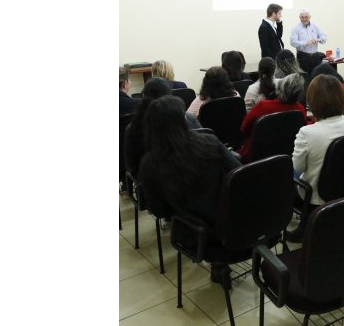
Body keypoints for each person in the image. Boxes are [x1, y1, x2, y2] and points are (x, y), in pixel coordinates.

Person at [136, 95, 242, 281]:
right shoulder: (209, 141)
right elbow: (238, 173)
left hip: (194, 234)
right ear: (182, 121)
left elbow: (158, 210)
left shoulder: (150, 163)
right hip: (233, 222)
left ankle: (218, 262)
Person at [289, 74, 344, 240]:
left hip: (316, 196)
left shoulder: (307, 133)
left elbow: (298, 167)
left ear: (312, 101)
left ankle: (300, 224)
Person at [125, 77, 202, 177]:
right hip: (190, 173)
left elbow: (132, 167)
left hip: (151, 181)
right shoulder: (188, 118)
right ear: (169, 96)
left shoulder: (133, 128)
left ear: (144, 97)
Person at [237, 73, 308, 161]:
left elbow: (244, 128)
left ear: (280, 87)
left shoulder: (262, 106)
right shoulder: (300, 109)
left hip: (257, 156)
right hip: (287, 156)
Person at [290, 8, 328, 73]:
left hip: (315, 57)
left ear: (310, 17)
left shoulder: (315, 26)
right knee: (304, 78)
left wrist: (318, 39)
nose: (304, 19)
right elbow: (292, 42)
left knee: (317, 77)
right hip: (303, 57)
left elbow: (324, 37)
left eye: (306, 17)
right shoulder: (296, 28)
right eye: (302, 17)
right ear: (299, 17)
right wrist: (305, 43)